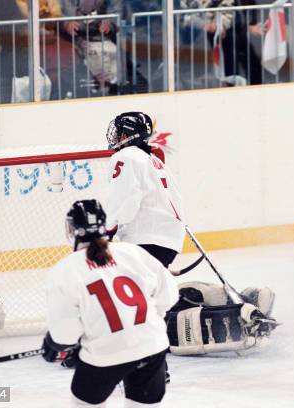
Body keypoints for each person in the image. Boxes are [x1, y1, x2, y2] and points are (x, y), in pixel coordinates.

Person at [42, 199, 179, 407]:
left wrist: (55, 343)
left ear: (73, 231)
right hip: (152, 346)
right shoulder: (133, 252)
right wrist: (144, 324)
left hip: (106, 353)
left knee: (84, 403)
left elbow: (65, 334)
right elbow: (169, 296)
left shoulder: (65, 270)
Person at [105, 111, 185, 268]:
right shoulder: (153, 161)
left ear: (126, 136)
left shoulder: (125, 156)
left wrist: (106, 232)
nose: (116, 137)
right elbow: (176, 198)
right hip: (169, 241)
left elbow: (126, 198)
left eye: (119, 133)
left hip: (146, 240)